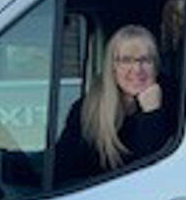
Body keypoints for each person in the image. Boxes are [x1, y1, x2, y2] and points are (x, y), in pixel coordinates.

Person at [54, 25, 175, 182]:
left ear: (156, 65)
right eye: (126, 60)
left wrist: (152, 114)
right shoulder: (86, 109)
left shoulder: (177, 102)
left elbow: (153, 173)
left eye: (145, 60)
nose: (137, 69)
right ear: (112, 66)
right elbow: (62, 172)